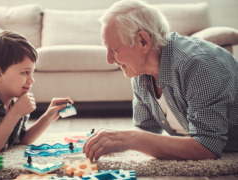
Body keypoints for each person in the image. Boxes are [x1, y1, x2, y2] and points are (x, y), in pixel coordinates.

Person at [83, 0, 238, 161]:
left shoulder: (198, 64)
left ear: (143, 41)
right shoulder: (139, 72)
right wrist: (118, 139)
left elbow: (207, 147)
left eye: (114, 49)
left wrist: (128, 138)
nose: (109, 59)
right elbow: (145, 130)